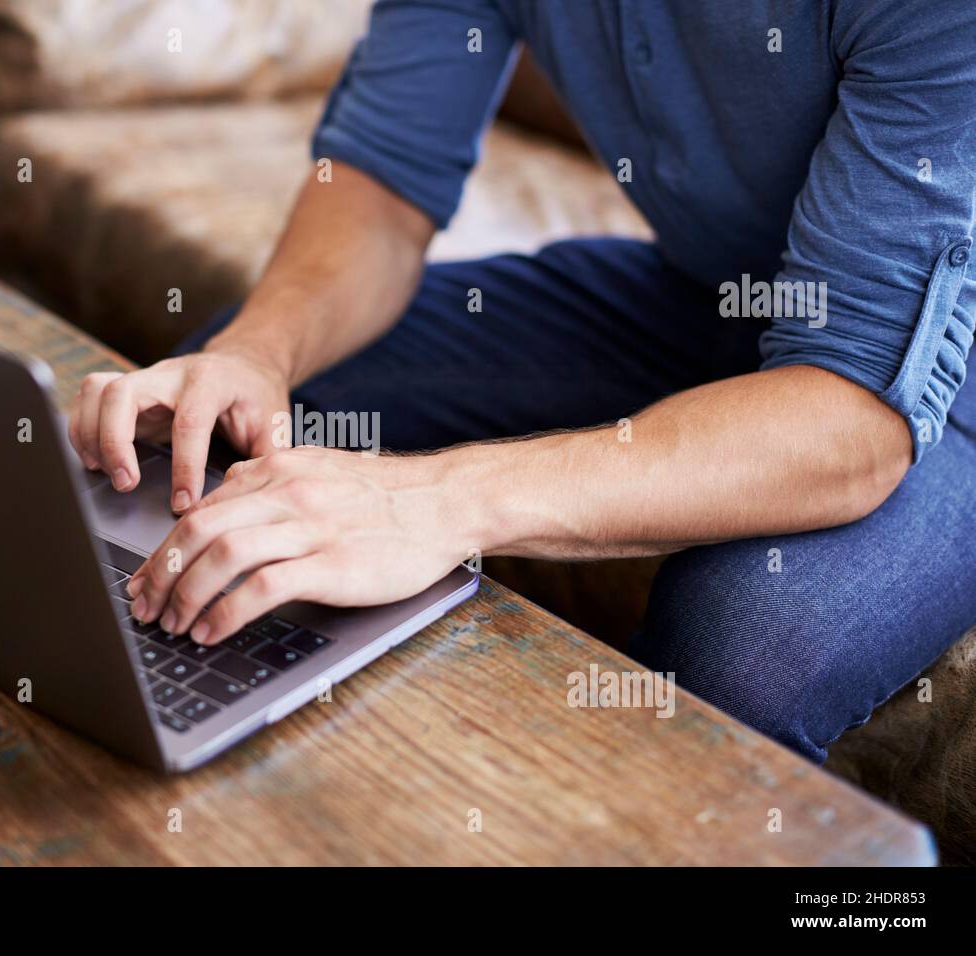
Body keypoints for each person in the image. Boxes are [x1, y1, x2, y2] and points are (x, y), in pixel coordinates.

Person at [68, 0, 976, 762]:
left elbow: (852, 415)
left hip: (924, 383)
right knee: (229, 406)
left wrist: (436, 501)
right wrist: (260, 353)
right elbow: (383, 180)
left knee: (740, 653)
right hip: (719, 294)